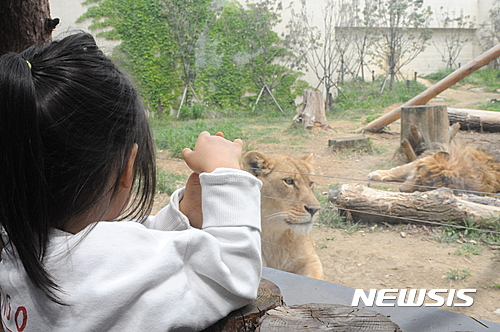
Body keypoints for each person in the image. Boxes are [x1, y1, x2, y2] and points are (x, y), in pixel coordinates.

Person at [0, 33, 262, 331]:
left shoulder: (16, 244)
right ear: (126, 167)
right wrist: (227, 175)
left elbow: (120, 247)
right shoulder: (107, 261)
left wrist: (182, 216)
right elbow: (234, 276)